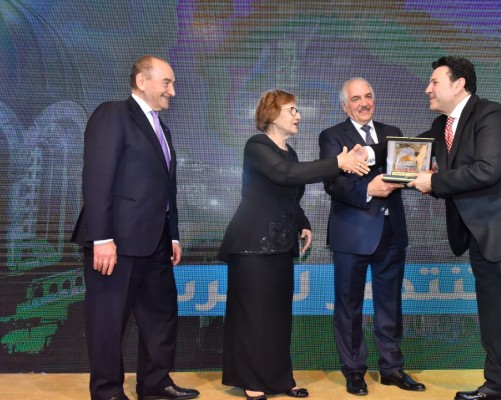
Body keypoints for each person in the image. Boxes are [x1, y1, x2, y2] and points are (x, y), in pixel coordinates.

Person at [409, 56, 501, 400]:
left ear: (459, 84)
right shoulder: (442, 126)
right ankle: (497, 385)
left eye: (434, 82)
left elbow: (487, 170)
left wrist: (435, 181)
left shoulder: (492, 115)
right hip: (480, 234)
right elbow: (408, 149)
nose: (427, 89)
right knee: (492, 314)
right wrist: (365, 155)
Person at [218, 89, 369, 400]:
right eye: (292, 110)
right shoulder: (257, 145)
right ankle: (251, 380)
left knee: (278, 317)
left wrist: (303, 223)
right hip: (252, 246)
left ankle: (279, 379)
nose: (298, 115)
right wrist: (338, 161)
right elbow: (285, 174)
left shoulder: (290, 152)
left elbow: (289, 192)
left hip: (280, 246)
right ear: (272, 114)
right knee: (254, 316)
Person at [71, 55, 199, 400]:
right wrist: (102, 237)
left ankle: (155, 384)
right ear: (142, 81)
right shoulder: (112, 114)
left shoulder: (162, 128)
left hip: (156, 243)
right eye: (167, 82)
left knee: (161, 317)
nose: (173, 91)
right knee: (108, 322)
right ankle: (108, 392)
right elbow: (97, 178)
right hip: (116, 242)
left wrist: (173, 235)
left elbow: (166, 188)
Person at [319, 77, 426, 396]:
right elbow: (332, 183)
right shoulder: (332, 136)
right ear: (345, 106)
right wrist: (368, 189)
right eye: (356, 99)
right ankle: (354, 371)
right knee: (349, 306)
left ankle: (392, 369)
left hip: (392, 233)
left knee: (390, 304)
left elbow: (403, 173)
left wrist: (421, 174)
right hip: (351, 234)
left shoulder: (392, 132)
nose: (364, 103)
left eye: (368, 96)